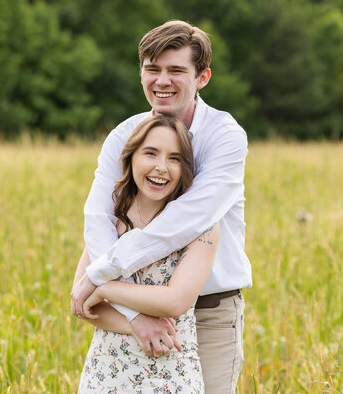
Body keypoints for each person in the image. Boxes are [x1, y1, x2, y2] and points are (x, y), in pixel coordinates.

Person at [72, 20, 251, 393]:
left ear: (202, 77)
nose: (162, 80)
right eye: (152, 69)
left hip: (207, 312)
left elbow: (187, 220)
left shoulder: (225, 137)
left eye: (176, 70)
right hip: (125, 304)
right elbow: (99, 216)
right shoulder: (124, 135)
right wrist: (131, 310)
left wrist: (100, 277)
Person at [74, 115, 220, 392]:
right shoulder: (110, 221)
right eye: (150, 153)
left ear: (185, 168)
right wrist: (136, 322)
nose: (161, 168)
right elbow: (81, 303)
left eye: (175, 158)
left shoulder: (203, 227)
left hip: (172, 373)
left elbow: (175, 301)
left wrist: (102, 285)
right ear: (130, 158)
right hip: (107, 373)